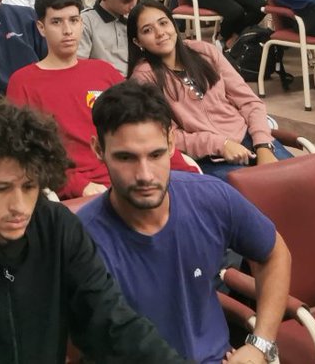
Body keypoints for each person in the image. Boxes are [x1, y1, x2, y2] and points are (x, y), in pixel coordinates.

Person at [0, 101, 185, 364]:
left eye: (30, 187)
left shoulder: (57, 225)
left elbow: (111, 322)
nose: (19, 207)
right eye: (1, 189)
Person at [80, 81, 292, 364]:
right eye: (125, 157)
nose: (144, 175)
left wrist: (261, 343)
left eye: (155, 155)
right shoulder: (80, 240)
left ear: (170, 142)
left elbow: (275, 253)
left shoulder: (210, 197)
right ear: (98, 150)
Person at [7, 0, 195, 199]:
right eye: (57, 22)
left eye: (74, 20)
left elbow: (147, 123)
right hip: (84, 189)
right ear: (41, 27)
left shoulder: (102, 71)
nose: (68, 30)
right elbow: (24, 152)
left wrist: (186, 171)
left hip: (135, 173)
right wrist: (78, 185)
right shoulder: (23, 81)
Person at [128, 1, 292, 176]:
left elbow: (249, 102)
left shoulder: (204, 51)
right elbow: (165, 135)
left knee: (300, 182)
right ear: (138, 41)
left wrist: (263, 144)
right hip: (207, 156)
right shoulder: (143, 78)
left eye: (163, 23)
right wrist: (220, 144)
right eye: (148, 30)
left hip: (249, 137)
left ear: (173, 24)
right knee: (257, 195)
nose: (160, 33)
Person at [79, 0, 143, 75]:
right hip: (103, 86)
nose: (133, 5)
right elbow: (79, 65)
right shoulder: (85, 22)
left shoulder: (137, 17)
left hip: (137, 82)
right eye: (126, 1)